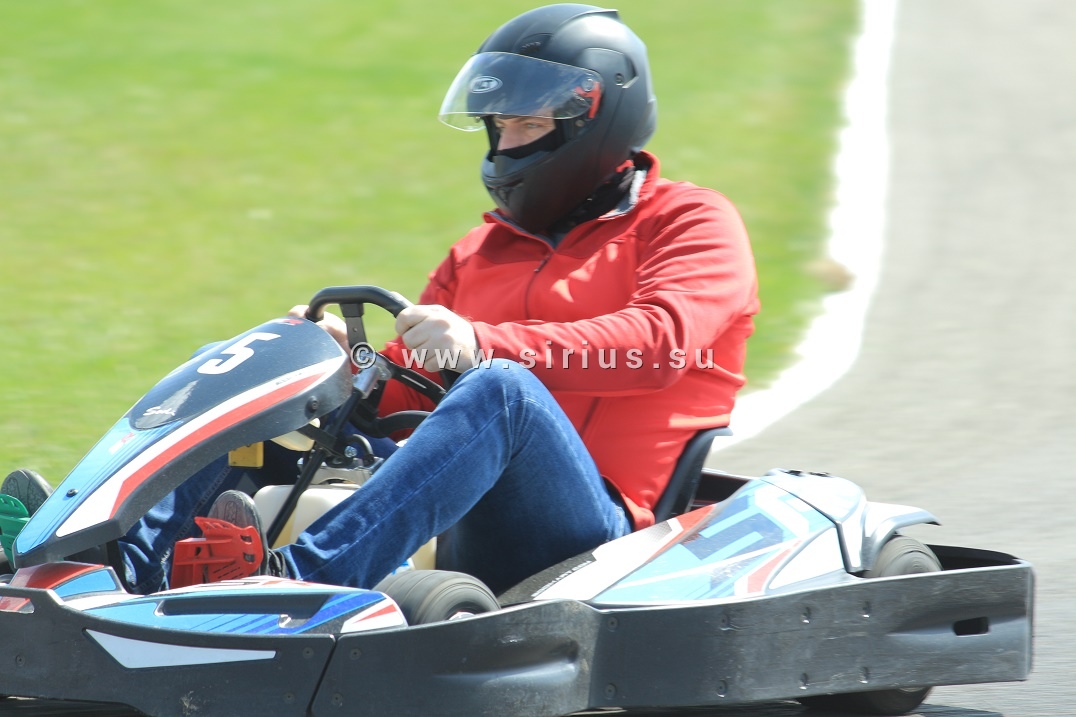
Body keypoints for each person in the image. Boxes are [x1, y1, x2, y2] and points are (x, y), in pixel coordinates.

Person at [7, 4, 759, 596]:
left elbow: (664, 345)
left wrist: (484, 345)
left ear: (596, 123)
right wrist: (342, 365)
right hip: (461, 506)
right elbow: (407, 391)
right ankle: (108, 555)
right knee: (256, 370)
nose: (505, 147)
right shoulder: (482, 249)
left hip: (603, 539)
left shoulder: (689, 221)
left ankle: (294, 582)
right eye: (499, 126)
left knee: (501, 391)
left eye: (529, 124)